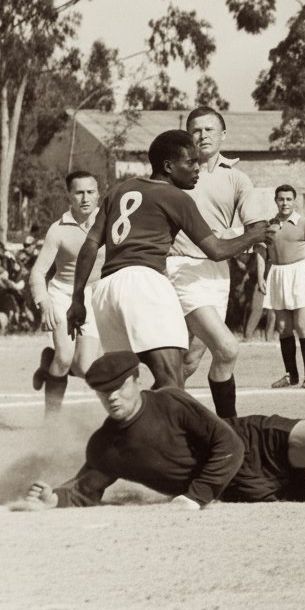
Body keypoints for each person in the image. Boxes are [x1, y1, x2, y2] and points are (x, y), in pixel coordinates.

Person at [21, 351, 305, 509]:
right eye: (104, 394)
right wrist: (56, 498)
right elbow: (87, 488)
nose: (113, 399)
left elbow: (225, 441)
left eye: (119, 388)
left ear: (137, 381)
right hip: (249, 489)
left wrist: (196, 495)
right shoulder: (106, 445)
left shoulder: (170, 401)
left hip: (259, 441)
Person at [67, 130, 276, 392]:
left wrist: (77, 300)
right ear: (168, 166)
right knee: (172, 379)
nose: (197, 170)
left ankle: (132, 431)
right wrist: (254, 235)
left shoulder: (119, 190)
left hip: (106, 290)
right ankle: (177, 432)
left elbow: (89, 245)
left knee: (125, 387)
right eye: (190, 163)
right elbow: (216, 250)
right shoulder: (176, 197)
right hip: (144, 283)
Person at [166, 107, 271, 418]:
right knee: (227, 347)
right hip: (180, 267)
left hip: (217, 271)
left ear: (223, 135)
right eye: (196, 130)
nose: (203, 135)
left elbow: (256, 227)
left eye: (210, 129)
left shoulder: (237, 178)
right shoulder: (176, 175)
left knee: (190, 360)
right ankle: (231, 428)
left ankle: (160, 415)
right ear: (188, 135)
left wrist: (237, 234)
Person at [28, 170, 105, 416]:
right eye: (79, 192)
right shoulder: (58, 230)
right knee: (64, 356)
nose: (85, 198)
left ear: (98, 194)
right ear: (69, 196)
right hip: (63, 295)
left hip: (94, 297)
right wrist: (45, 303)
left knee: (84, 367)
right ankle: (51, 423)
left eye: (90, 192)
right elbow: (37, 273)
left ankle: (48, 365)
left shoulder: (110, 222)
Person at [259, 185, 305, 389]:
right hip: (277, 274)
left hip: (298, 274)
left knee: (302, 325)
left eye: (288, 199)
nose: (285, 203)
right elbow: (261, 253)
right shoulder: (269, 225)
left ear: (294, 201)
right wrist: (260, 276)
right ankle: (291, 375)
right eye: (281, 199)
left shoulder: (303, 223)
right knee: (282, 327)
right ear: (275, 200)